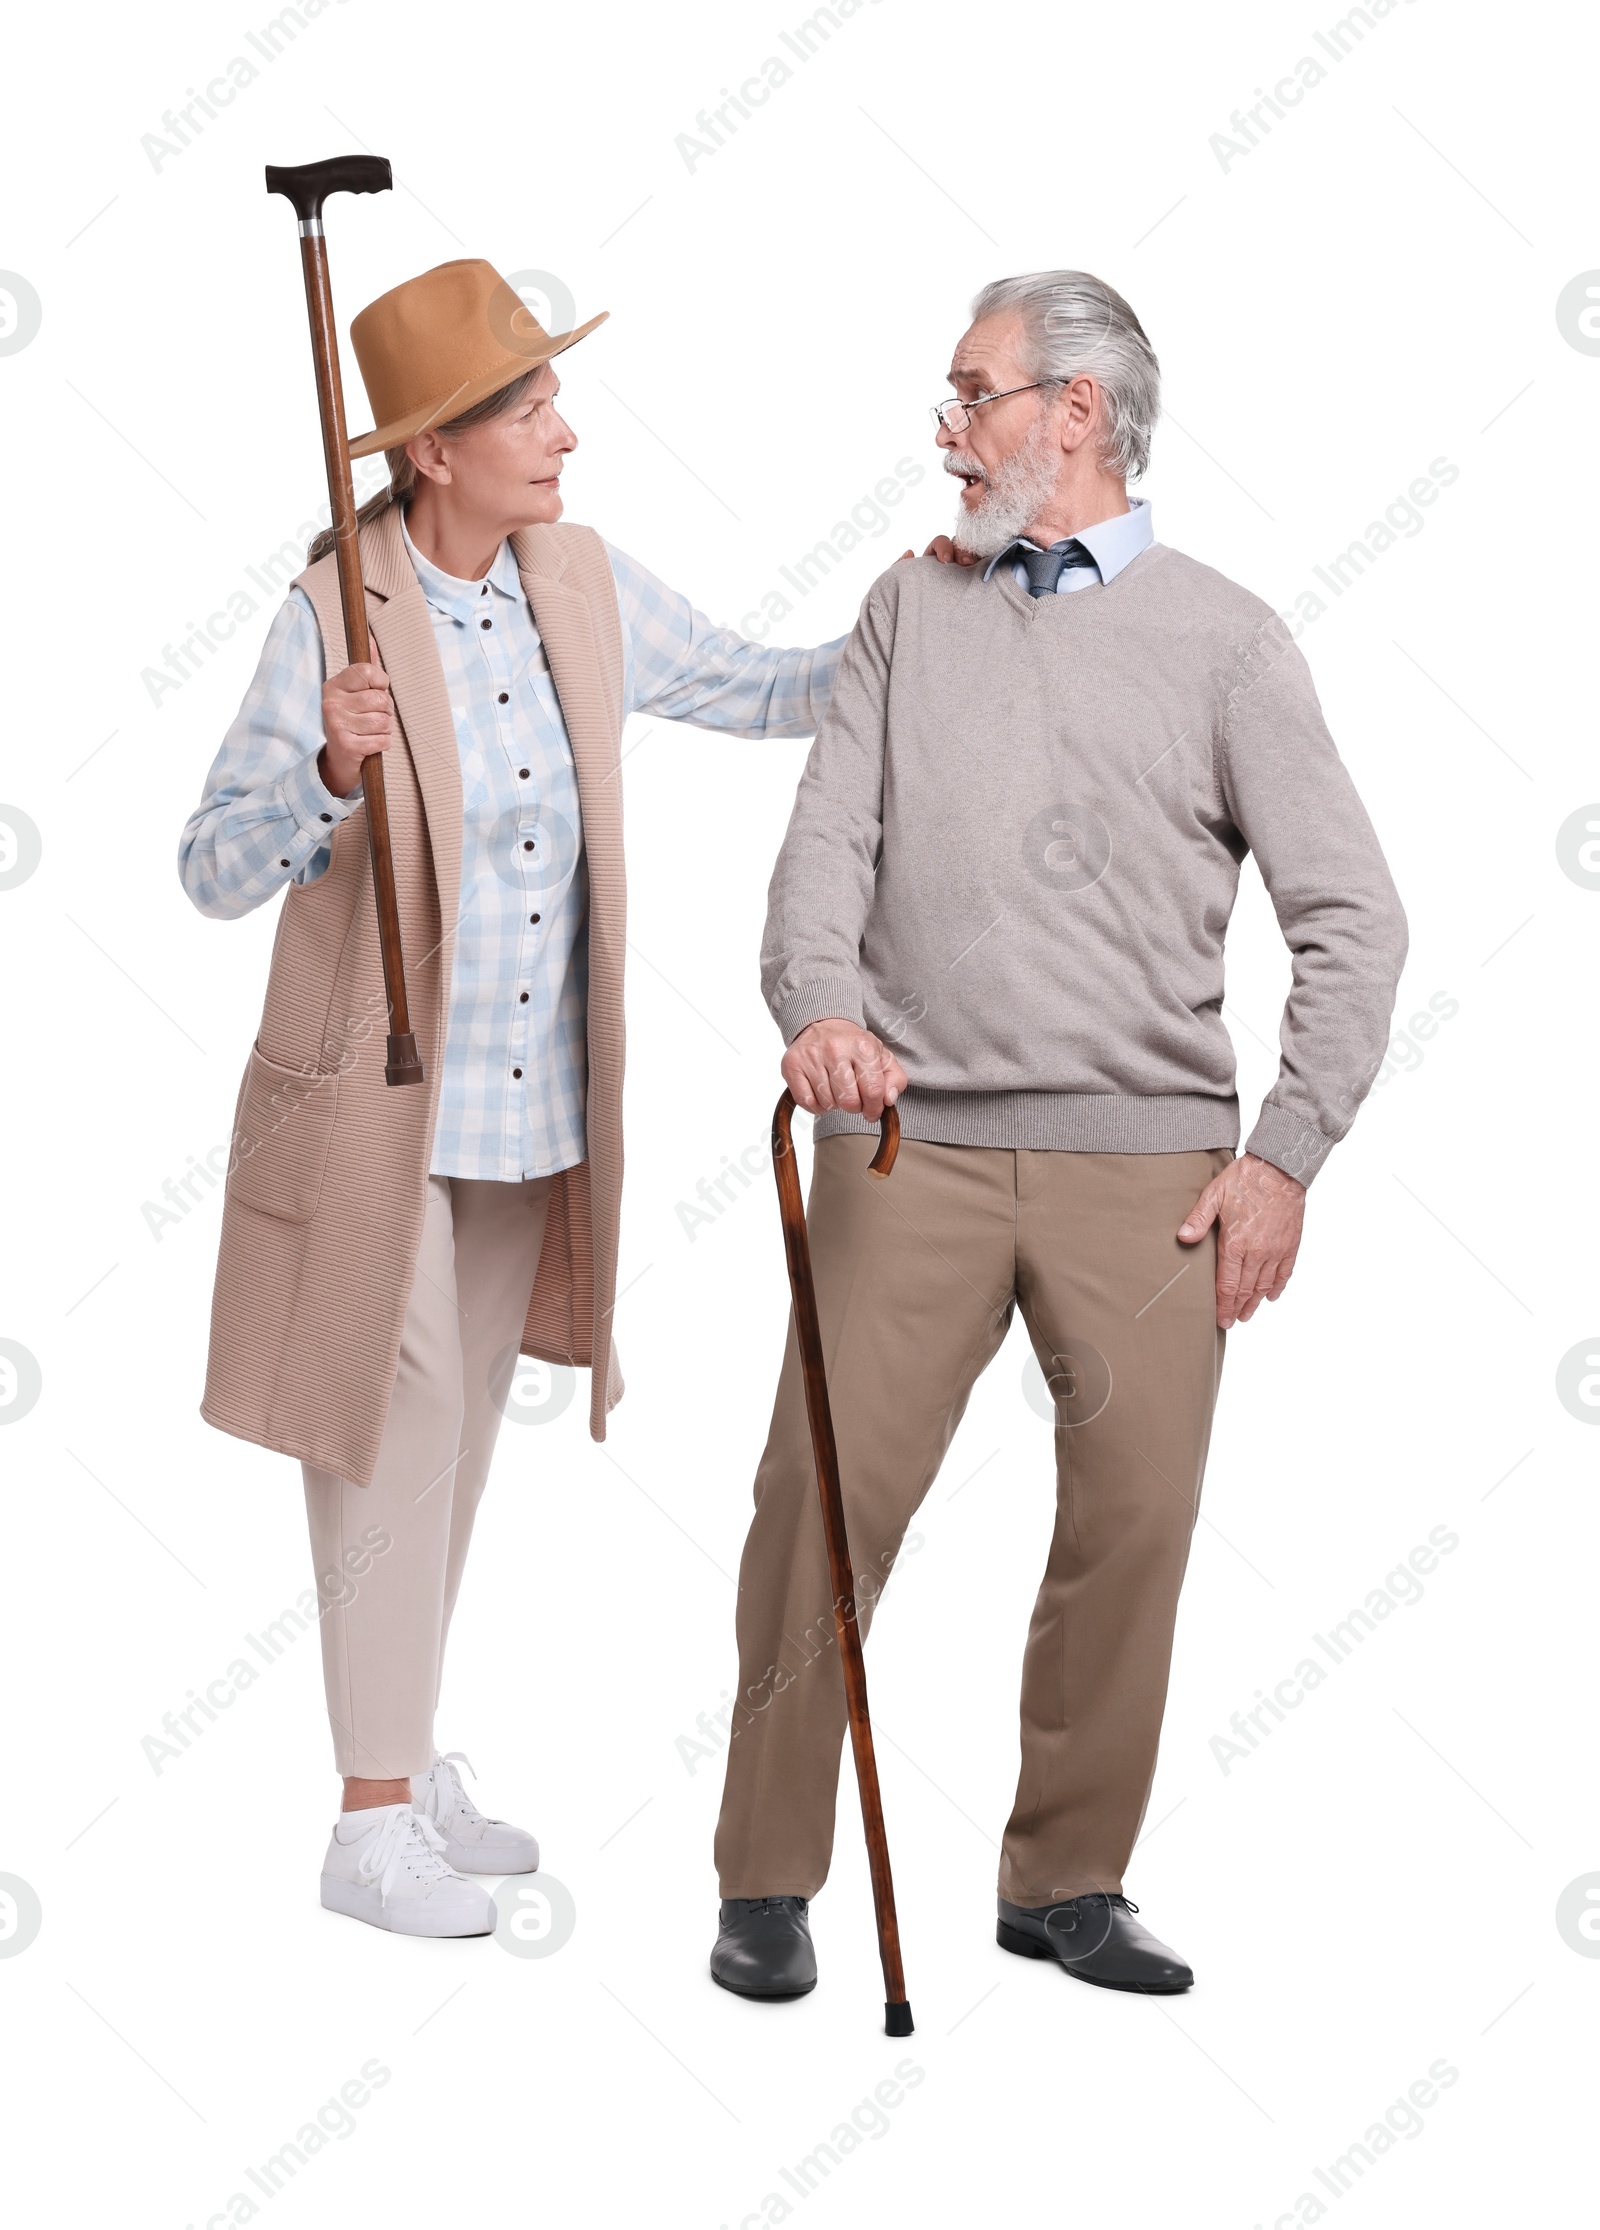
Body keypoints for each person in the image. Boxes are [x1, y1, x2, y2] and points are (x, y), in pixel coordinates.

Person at [709, 269, 1408, 2000]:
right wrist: (821, 1011)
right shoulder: (905, 609)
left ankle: (1065, 1880)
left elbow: (1355, 918)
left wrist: (1284, 1156)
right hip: (906, 1145)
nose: (950, 432)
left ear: (1075, 415)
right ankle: (768, 1874)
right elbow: (823, 859)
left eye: (976, 395)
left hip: (1153, 1171)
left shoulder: (1228, 638)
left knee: (1134, 1516)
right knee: (818, 1494)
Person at [179, 258, 850, 1938]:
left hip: (528, 1111)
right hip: (374, 1112)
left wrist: (919, 615)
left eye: (552, 396)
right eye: (528, 405)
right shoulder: (334, 612)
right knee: (378, 1426)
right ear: (434, 453)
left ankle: (402, 1758)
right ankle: (368, 1815)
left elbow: (764, 688)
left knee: (460, 1437)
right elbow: (206, 866)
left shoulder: (583, 584)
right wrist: (327, 775)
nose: (566, 428)